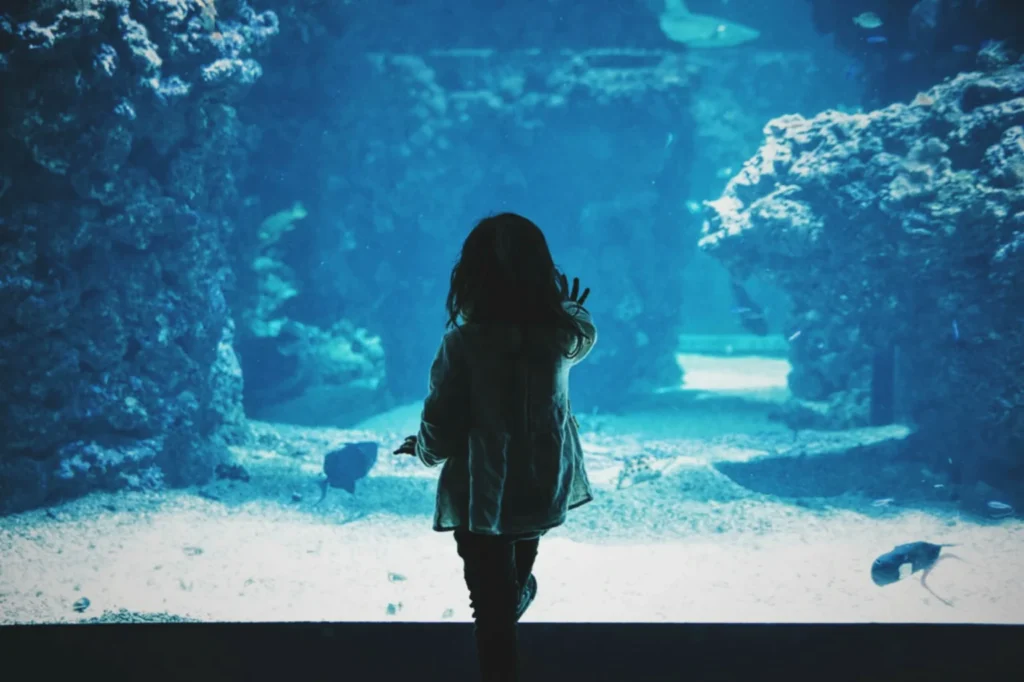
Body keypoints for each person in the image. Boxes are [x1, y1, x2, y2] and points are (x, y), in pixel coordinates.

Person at [393, 212, 598, 682]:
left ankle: (508, 614)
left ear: (471, 276)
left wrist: (423, 451)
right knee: (506, 591)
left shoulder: (463, 343)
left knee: (490, 608)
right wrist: (566, 308)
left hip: (479, 492)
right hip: (540, 485)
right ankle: (516, 595)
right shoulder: (560, 336)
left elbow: (440, 421)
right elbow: (584, 332)